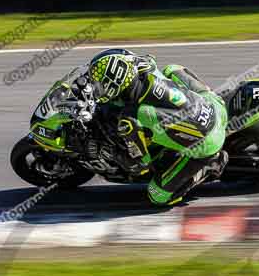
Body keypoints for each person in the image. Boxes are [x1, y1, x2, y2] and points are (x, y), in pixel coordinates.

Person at [81, 48, 228, 206]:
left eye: (100, 84)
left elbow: (140, 165)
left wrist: (112, 153)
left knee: (157, 195)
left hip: (209, 142)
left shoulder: (131, 119)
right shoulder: (146, 67)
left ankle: (212, 164)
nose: (97, 88)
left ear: (116, 82)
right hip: (213, 104)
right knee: (172, 69)